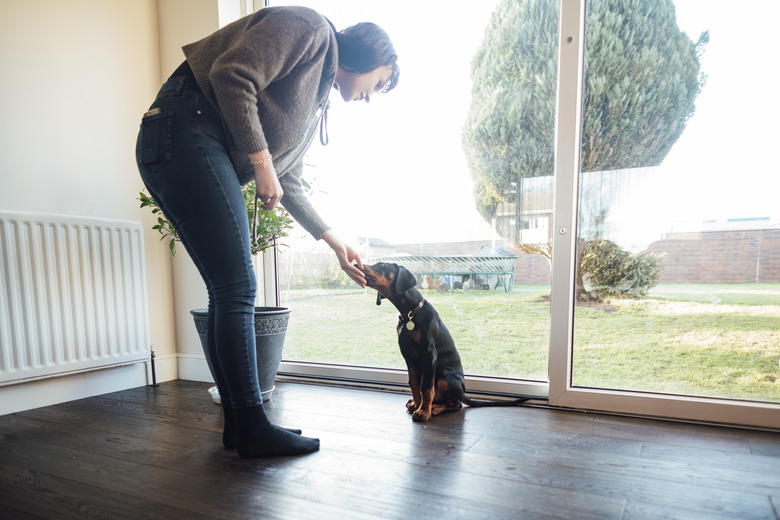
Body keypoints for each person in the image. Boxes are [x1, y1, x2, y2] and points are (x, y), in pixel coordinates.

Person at [135, 6, 399, 458]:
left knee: (227, 289)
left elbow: (285, 177)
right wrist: (260, 164)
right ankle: (252, 426)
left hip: (185, 138)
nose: (371, 97)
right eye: (378, 83)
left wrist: (333, 241)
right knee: (237, 287)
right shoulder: (311, 30)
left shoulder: (315, 94)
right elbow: (231, 74)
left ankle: (241, 427)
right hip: (185, 126)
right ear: (366, 56)